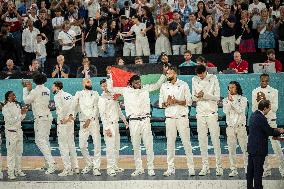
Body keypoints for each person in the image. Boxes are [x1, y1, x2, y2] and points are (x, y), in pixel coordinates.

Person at [107, 67, 167, 177]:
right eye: (136, 83)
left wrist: (163, 74)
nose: (138, 84)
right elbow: (111, 88)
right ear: (131, 83)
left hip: (145, 120)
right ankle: (139, 168)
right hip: (133, 121)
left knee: (149, 145)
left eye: (139, 82)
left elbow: (158, 85)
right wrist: (109, 75)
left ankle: (150, 168)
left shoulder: (146, 89)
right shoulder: (125, 90)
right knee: (136, 146)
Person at [159, 66, 195, 177]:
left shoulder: (183, 84)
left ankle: (191, 168)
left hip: (182, 118)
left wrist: (176, 101)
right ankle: (170, 168)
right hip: (169, 119)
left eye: (169, 73)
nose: (167, 75)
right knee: (170, 144)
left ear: (175, 73)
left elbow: (189, 101)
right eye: (167, 73)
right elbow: (161, 103)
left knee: (186, 143)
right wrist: (167, 103)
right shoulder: (164, 86)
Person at [192, 64, 223, 176]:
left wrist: (204, 95)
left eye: (202, 75)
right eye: (198, 75)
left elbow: (217, 97)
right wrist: (197, 96)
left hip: (211, 113)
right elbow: (193, 97)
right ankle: (205, 166)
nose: (200, 77)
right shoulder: (194, 79)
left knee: (215, 140)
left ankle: (219, 166)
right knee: (202, 141)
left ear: (206, 71)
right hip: (200, 113)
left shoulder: (213, 78)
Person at [22, 73, 56, 174]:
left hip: (41, 119)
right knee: (45, 140)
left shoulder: (35, 91)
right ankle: (47, 164)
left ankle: (51, 163)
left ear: (34, 81)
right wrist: (30, 90)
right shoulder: (47, 90)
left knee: (40, 141)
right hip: (47, 117)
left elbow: (26, 101)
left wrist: (25, 89)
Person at [252, 74, 284, 177]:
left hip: (271, 121)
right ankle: (265, 170)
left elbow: (275, 107)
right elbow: (254, 108)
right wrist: (263, 110)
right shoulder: (255, 91)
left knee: (277, 147)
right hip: (261, 122)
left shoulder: (274, 91)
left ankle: (283, 169)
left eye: (266, 81)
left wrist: (265, 107)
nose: (264, 82)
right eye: (262, 81)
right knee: (261, 147)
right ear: (259, 80)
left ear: (268, 81)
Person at [247, 100, 284, 189]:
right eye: (269, 108)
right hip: (258, 150)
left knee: (250, 172)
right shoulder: (261, 118)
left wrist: (275, 130)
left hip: (252, 148)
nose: (270, 109)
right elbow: (269, 131)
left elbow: (262, 129)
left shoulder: (254, 115)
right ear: (265, 108)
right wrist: (280, 131)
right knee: (258, 172)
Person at [98, 79, 128, 176]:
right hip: (109, 125)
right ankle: (109, 168)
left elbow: (118, 110)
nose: (105, 87)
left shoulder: (114, 96)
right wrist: (106, 128)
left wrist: (124, 120)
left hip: (116, 124)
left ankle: (115, 166)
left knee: (116, 147)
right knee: (110, 148)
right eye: (103, 86)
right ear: (101, 87)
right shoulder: (101, 98)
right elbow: (102, 115)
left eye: (106, 85)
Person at [73, 78, 101, 176]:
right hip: (83, 123)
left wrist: (90, 119)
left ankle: (96, 167)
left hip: (93, 122)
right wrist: (71, 116)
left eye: (90, 81)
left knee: (97, 145)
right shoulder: (78, 93)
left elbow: (96, 107)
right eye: (88, 81)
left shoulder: (95, 93)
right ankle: (89, 164)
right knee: (81, 146)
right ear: (83, 83)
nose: (90, 83)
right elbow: (74, 106)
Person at [52, 81, 79, 176]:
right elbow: (75, 106)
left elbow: (60, 110)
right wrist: (71, 117)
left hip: (63, 122)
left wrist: (64, 119)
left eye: (53, 87)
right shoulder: (69, 95)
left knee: (63, 146)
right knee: (71, 144)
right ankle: (75, 167)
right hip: (70, 121)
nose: (52, 88)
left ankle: (67, 169)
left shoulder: (57, 96)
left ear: (57, 87)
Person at [223, 81, 248, 177]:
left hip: (241, 127)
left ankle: (247, 168)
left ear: (237, 88)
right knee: (231, 150)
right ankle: (233, 169)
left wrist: (232, 101)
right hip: (230, 128)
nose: (231, 89)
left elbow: (240, 110)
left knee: (244, 149)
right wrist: (229, 101)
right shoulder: (226, 100)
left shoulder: (243, 99)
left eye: (233, 87)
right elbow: (226, 111)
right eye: (229, 87)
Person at [2, 91, 28, 179]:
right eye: (13, 95)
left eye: (14, 94)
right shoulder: (5, 108)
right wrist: (20, 114)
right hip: (11, 133)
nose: (15, 96)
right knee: (11, 154)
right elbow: (10, 121)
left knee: (19, 153)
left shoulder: (17, 105)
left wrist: (24, 113)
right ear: (8, 97)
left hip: (19, 131)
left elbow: (20, 119)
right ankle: (10, 173)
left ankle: (18, 171)